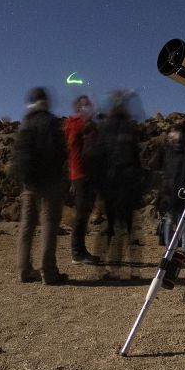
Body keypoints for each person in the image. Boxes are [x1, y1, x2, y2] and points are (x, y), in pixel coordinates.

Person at [13, 87, 69, 285]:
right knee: (48, 226)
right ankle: (49, 272)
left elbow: (18, 154)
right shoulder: (52, 122)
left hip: (29, 184)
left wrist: (24, 178)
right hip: (50, 182)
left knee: (27, 226)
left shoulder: (26, 123)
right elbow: (61, 151)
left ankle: (24, 270)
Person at [93, 91, 143, 278]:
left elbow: (98, 159)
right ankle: (133, 269)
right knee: (128, 229)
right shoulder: (128, 129)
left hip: (113, 187)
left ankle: (112, 269)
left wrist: (99, 188)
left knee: (113, 229)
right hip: (124, 186)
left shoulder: (107, 129)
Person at [63, 95, 101, 265]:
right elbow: (71, 142)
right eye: (83, 105)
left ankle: (81, 250)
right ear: (77, 107)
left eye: (88, 105)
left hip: (91, 174)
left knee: (85, 213)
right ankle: (77, 253)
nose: (86, 108)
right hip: (80, 174)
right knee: (81, 214)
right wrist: (83, 126)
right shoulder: (73, 123)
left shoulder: (90, 124)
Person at [156, 123, 185, 256]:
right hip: (170, 191)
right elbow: (165, 172)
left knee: (182, 221)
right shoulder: (169, 152)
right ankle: (170, 249)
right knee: (171, 221)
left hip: (181, 192)